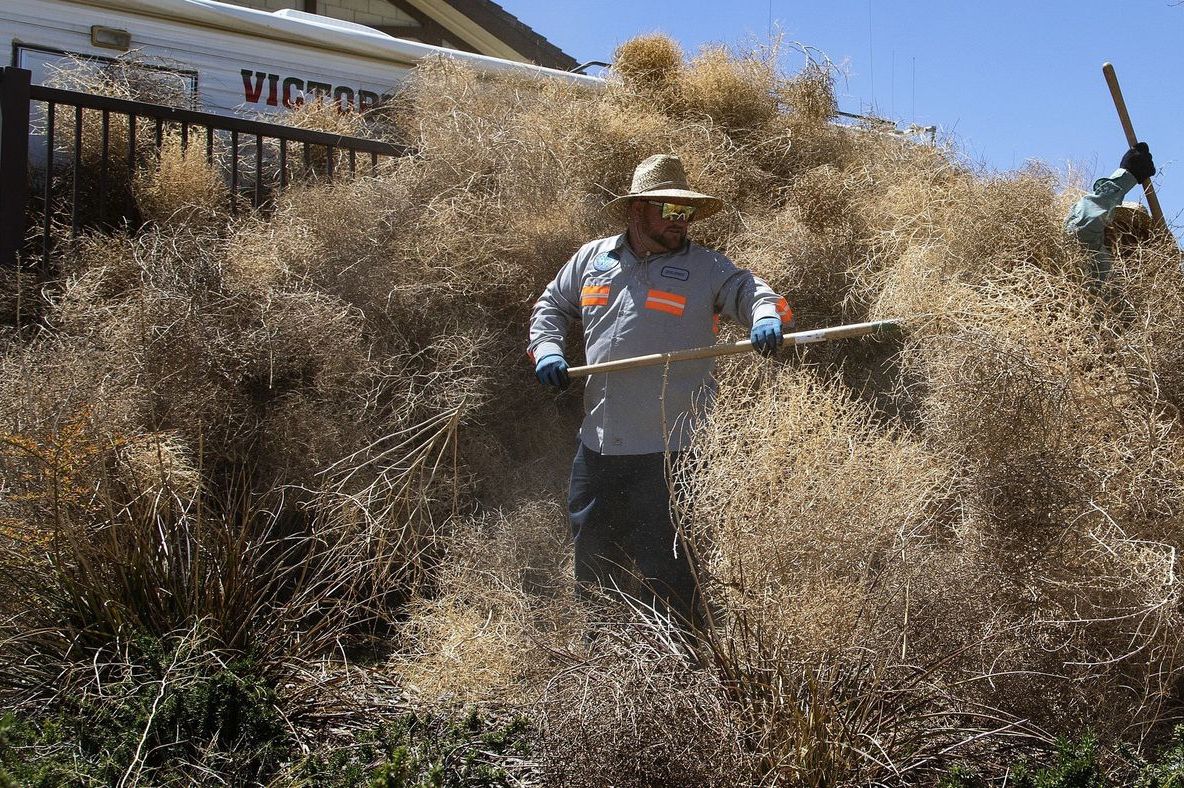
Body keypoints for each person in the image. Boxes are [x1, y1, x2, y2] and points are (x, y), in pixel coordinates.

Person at [527, 153, 793, 628]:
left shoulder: (706, 268)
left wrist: (765, 314)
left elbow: (751, 290)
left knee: (669, 570)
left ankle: (677, 671)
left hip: (674, 448)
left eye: (686, 212)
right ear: (637, 210)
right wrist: (547, 349)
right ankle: (601, 661)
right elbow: (550, 305)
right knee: (594, 561)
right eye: (669, 210)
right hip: (601, 443)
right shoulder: (592, 260)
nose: (681, 221)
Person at [1065, 143, 1156, 284]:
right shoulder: (1095, 261)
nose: (1130, 238)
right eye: (1124, 228)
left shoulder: (1150, 285)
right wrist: (1127, 176)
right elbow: (1080, 227)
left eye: (1139, 234)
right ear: (1109, 227)